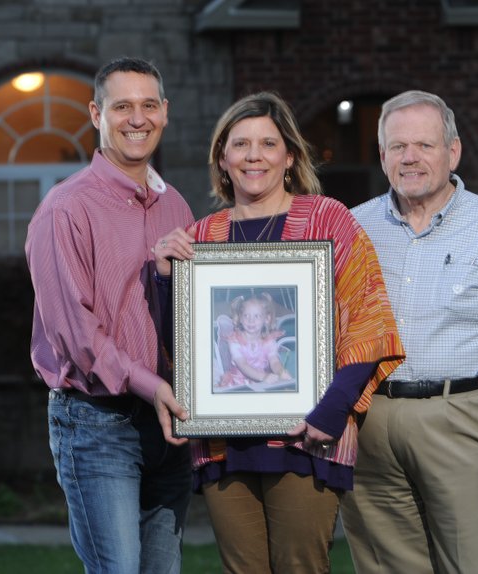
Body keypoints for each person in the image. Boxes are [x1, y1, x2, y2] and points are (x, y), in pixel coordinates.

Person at [153, 91, 405, 573]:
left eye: (268, 143)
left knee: (300, 565)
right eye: (240, 144)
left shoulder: (328, 219)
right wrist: (166, 280)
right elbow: (185, 345)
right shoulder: (201, 238)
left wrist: (330, 414)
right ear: (222, 159)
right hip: (223, 440)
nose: (254, 155)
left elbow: (368, 321)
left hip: (307, 436)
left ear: (289, 155)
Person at [341, 90, 478, 573]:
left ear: (452, 152)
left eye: (424, 145)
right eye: (398, 147)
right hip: (372, 427)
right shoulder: (353, 229)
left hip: (466, 421)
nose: (410, 157)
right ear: (382, 156)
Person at [25, 57, 195, 573]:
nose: (136, 118)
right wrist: (153, 384)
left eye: (148, 105)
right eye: (122, 106)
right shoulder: (65, 209)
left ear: (165, 113)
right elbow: (77, 336)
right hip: (96, 423)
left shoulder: (178, 208)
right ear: (97, 113)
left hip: (169, 426)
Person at [219, 293, 292, 390]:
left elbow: (274, 361)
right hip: (239, 383)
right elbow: (243, 365)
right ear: (240, 318)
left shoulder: (268, 341)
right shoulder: (235, 341)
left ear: (266, 319)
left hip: (262, 382)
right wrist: (263, 376)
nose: (251, 321)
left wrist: (280, 371)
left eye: (256, 316)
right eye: (246, 316)